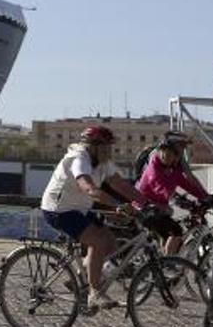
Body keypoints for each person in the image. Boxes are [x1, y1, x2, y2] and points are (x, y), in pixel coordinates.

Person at [39, 126, 144, 312]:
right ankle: (94, 293)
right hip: (59, 209)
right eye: (105, 147)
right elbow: (88, 188)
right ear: (92, 147)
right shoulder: (79, 159)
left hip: (80, 208)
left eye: (110, 147)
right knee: (97, 241)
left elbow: (120, 184)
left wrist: (147, 202)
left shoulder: (103, 162)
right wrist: (117, 205)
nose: (109, 151)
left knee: (111, 242)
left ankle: (80, 280)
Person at [132, 133, 213, 254]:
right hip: (144, 207)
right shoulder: (153, 168)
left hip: (158, 207)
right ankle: (168, 265)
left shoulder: (173, 168)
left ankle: (164, 260)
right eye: (182, 147)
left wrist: (206, 197)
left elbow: (188, 183)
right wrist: (185, 203)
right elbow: (161, 189)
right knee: (175, 230)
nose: (183, 151)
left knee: (168, 233)